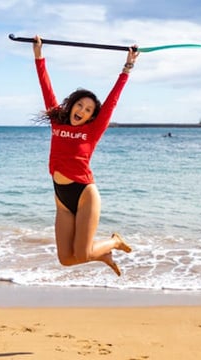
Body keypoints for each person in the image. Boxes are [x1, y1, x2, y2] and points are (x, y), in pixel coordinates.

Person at [33, 35, 138, 276]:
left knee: (81, 253)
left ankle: (113, 242)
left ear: (92, 117)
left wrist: (128, 67)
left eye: (88, 110)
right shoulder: (57, 121)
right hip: (61, 199)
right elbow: (45, 87)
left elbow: (111, 103)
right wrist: (39, 56)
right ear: (71, 106)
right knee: (66, 260)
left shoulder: (92, 131)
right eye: (80, 105)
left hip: (84, 194)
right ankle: (104, 254)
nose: (82, 110)